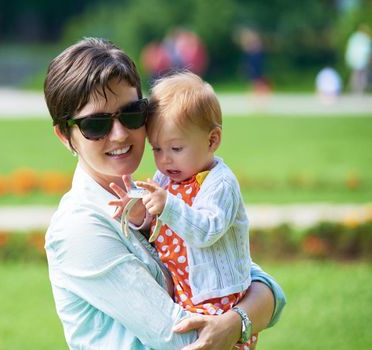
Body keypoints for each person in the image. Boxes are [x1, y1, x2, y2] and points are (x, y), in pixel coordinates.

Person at [44, 37, 286, 350]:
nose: (119, 134)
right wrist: (243, 318)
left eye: (131, 113)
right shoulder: (79, 228)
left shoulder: (156, 194)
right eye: (95, 124)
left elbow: (254, 281)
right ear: (65, 135)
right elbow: (181, 338)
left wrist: (235, 320)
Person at [111, 71, 257, 349]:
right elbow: (157, 223)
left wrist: (168, 205)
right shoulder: (166, 177)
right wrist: (141, 216)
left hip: (219, 297)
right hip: (185, 293)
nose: (165, 159)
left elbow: (206, 230)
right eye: (156, 149)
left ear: (212, 141)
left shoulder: (219, 184)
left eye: (176, 148)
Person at [345, 24, 371, 94]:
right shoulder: (365, 38)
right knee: (362, 75)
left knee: (355, 74)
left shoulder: (353, 37)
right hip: (361, 60)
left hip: (354, 60)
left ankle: (355, 89)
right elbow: (368, 51)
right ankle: (360, 90)